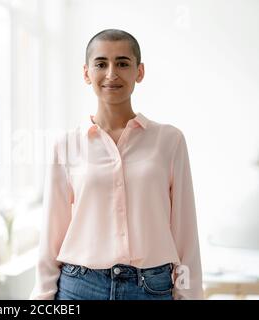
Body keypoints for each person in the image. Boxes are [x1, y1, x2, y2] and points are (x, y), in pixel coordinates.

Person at [30, 29, 203, 300]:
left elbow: (185, 230)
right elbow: (52, 231)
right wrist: (42, 297)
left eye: (123, 63)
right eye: (101, 64)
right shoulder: (65, 145)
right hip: (80, 287)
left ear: (139, 72)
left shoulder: (169, 141)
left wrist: (190, 294)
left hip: (152, 287)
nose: (112, 73)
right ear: (87, 73)